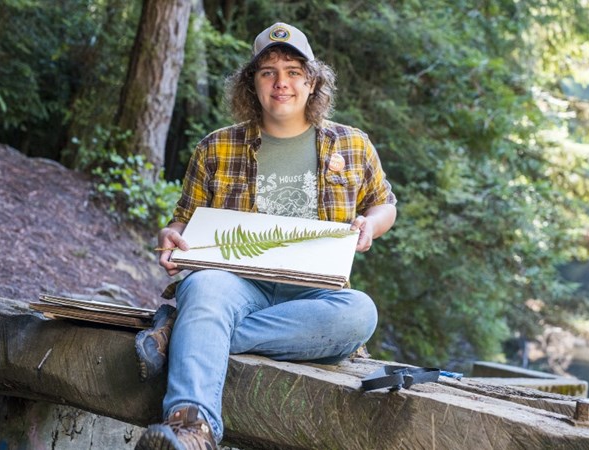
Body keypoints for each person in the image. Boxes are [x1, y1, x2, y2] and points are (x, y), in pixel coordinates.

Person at [134, 22, 397, 450]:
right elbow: (183, 221)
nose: (282, 83)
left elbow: (385, 204)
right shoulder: (215, 148)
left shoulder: (352, 145)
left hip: (314, 293)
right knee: (202, 285)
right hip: (235, 283)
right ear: (251, 84)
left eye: (294, 71)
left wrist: (371, 222)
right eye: (268, 72)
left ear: (312, 82)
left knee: (360, 314)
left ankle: (187, 329)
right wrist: (172, 234)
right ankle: (192, 430)